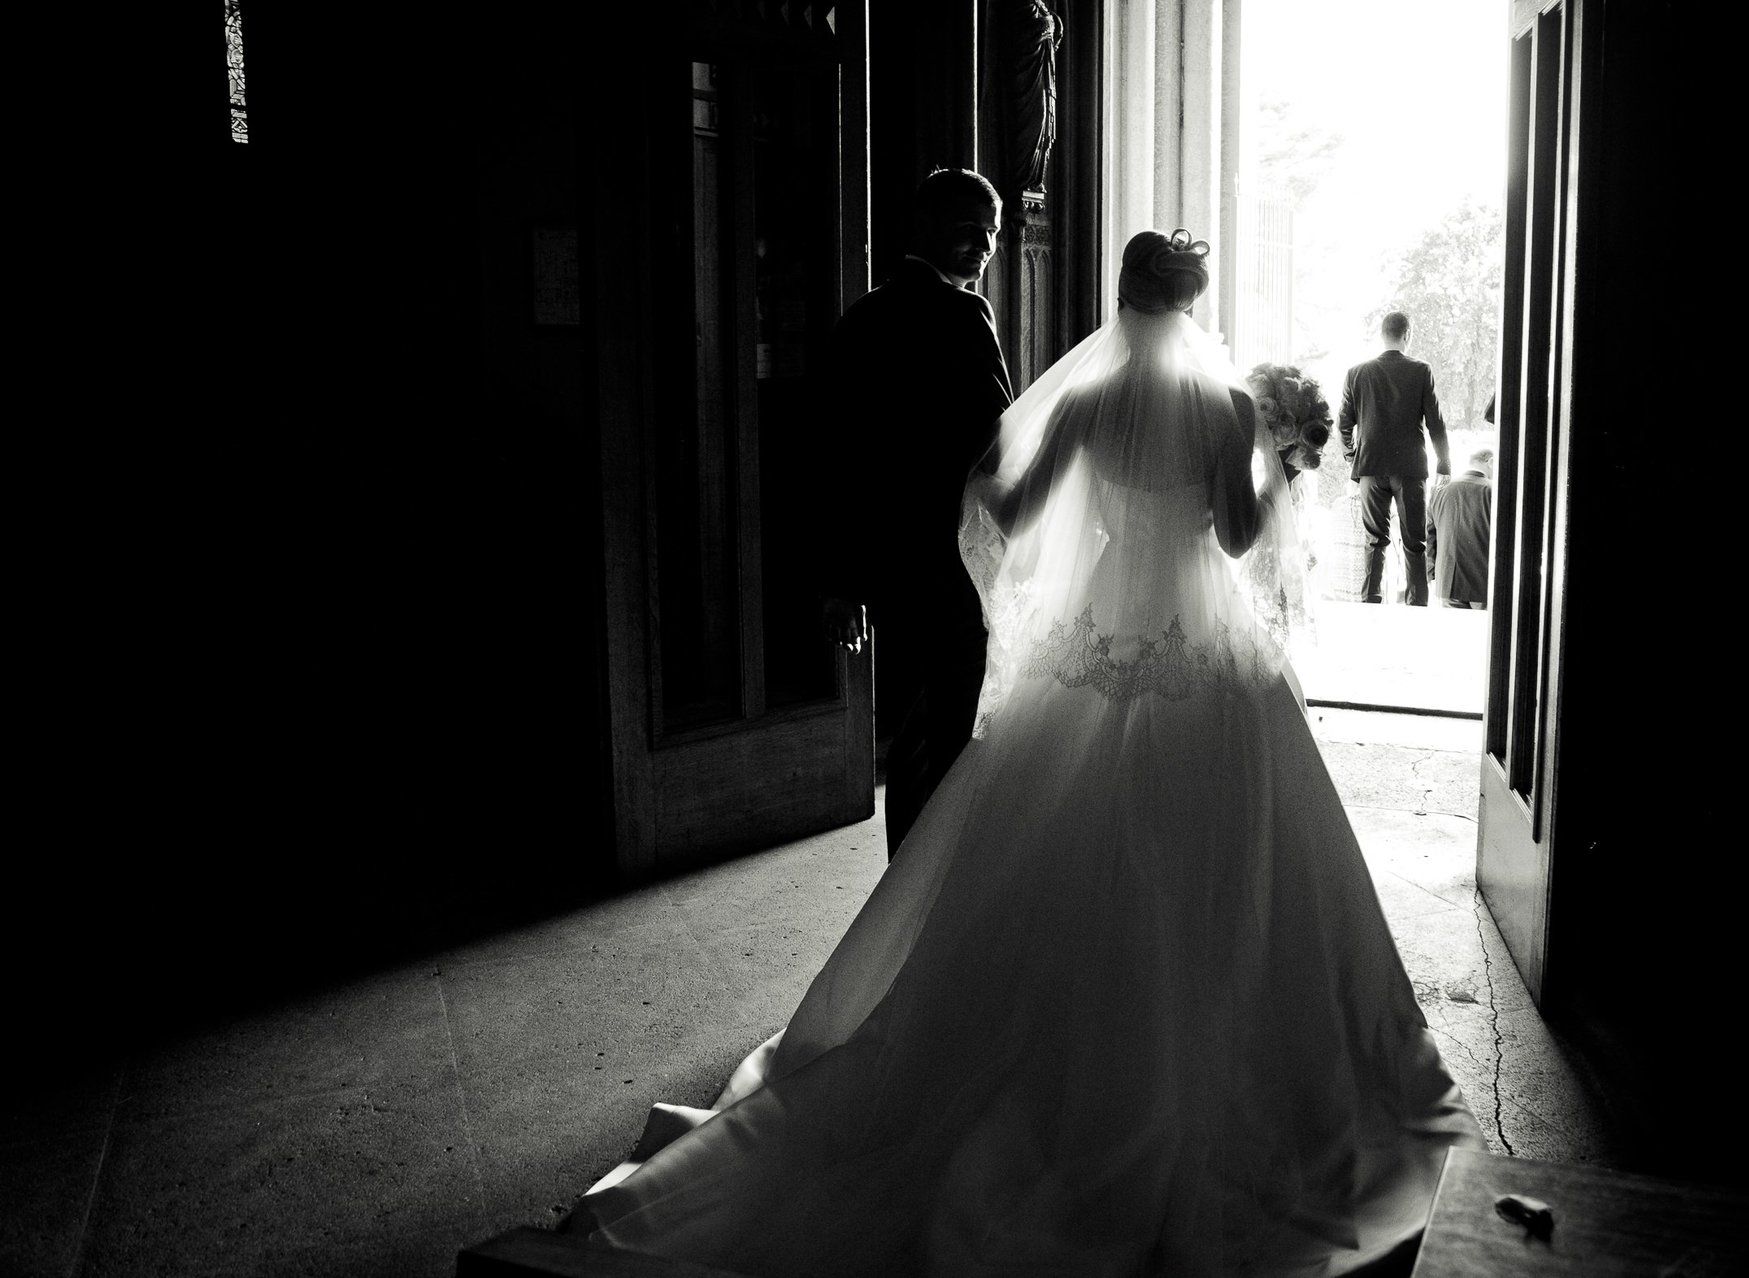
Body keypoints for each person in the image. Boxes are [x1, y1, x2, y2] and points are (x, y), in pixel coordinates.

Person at [567, 231, 1482, 1273]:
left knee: (1042, 854)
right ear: (1194, 306)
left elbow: (999, 509)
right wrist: (1278, 476)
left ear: (1123, 302)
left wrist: (1044, 588)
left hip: (1094, 649)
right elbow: (1233, 539)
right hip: (1201, 654)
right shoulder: (1226, 411)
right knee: (1234, 864)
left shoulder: (1086, 405)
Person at [822, 168, 1015, 859]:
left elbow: (834, 457)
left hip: (886, 563)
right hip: (949, 556)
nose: (983, 245)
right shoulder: (965, 315)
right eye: (967, 229)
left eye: (991, 233)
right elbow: (1000, 435)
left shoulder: (860, 316)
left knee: (909, 730)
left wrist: (842, 579)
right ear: (924, 224)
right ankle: (931, 877)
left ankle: (906, 867)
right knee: (947, 728)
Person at [1338, 312, 1451, 605]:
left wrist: (1353, 455)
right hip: (1410, 468)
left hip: (1370, 468)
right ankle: (1417, 607)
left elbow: (1343, 424)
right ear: (1407, 335)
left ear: (1382, 335)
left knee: (1374, 541)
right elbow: (1435, 421)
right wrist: (1444, 463)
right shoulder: (1421, 370)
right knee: (1415, 543)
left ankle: (1370, 603)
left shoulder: (1357, 373)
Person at [1427, 448, 1495, 610]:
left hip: (1448, 581)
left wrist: (1431, 572)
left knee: (1455, 632)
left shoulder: (1439, 491)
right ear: (1491, 462)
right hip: (1484, 582)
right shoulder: (1493, 491)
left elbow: (1430, 536)